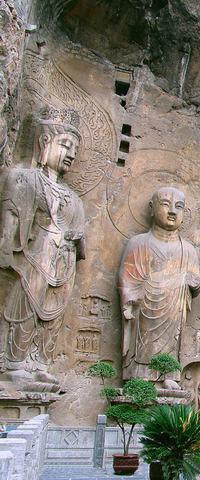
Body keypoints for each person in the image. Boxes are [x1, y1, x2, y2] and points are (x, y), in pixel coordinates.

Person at [0, 107, 85, 389]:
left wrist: (73, 237)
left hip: (62, 263)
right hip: (32, 257)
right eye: (65, 145)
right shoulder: (23, 179)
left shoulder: (73, 198)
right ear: (44, 142)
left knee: (51, 318)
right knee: (23, 308)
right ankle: (14, 362)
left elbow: (80, 241)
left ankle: (40, 362)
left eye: (74, 149)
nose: (71, 154)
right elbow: (10, 223)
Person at [118, 187, 200, 380]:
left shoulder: (188, 250)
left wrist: (193, 283)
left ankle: (169, 377)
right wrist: (131, 299)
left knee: (172, 342)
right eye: (165, 204)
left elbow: (196, 283)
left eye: (178, 207)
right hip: (145, 309)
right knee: (143, 345)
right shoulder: (138, 243)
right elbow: (127, 280)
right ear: (152, 208)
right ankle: (138, 376)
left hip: (173, 312)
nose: (172, 211)